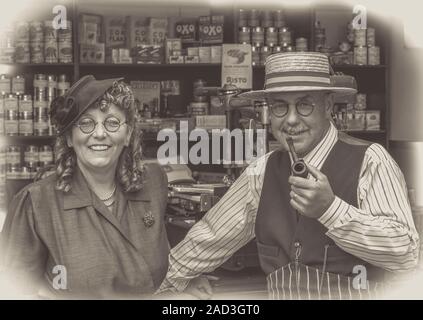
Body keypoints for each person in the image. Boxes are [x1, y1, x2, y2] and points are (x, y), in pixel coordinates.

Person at [158, 52, 420, 299]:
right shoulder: (261, 172)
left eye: (304, 105)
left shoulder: (370, 160)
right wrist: (167, 283)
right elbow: (207, 239)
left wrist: (330, 209)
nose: (291, 120)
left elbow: (405, 254)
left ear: (327, 105)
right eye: (280, 107)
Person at [0, 75, 169, 299]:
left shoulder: (153, 185)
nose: (99, 134)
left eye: (112, 122)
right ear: (70, 137)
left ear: (127, 134)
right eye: (86, 123)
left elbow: (164, 267)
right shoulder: (35, 204)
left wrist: (181, 286)